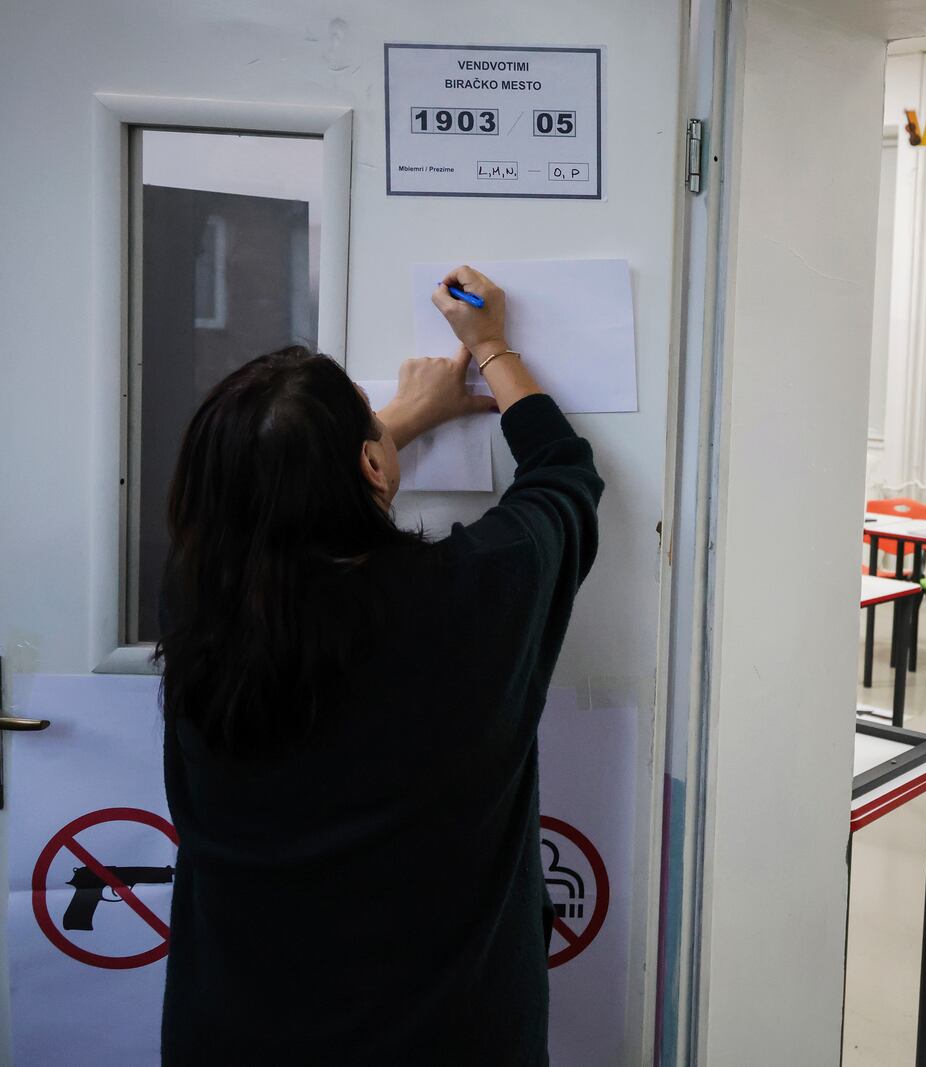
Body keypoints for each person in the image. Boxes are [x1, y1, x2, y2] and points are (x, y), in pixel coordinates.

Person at [157, 265, 601, 1064]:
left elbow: (265, 501)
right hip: (443, 1040)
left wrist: (394, 421)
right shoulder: (472, 596)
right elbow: (564, 475)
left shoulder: (199, 605)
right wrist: (491, 346)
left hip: (231, 1035)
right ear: (368, 467)